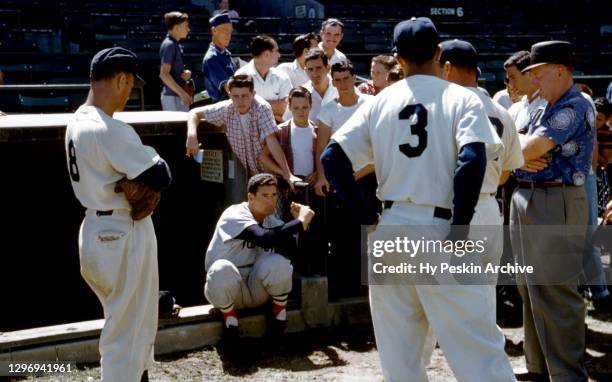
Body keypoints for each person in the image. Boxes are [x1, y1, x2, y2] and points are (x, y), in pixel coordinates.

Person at [321, 17, 515, 382]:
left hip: (392, 226)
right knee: (478, 355)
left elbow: (332, 157)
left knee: (401, 361)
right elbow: (472, 159)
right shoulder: (461, 98)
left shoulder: (379, 101)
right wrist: (460, 229)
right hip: (441, 228)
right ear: (438, 53)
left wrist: (367, 216)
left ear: (398, 58)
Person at [65, 47, 172, 382]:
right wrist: (150, 159)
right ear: (122, 79)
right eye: (129, 84)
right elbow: (162, 175)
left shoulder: (77, 120)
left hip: (96, 229)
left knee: (130, 328)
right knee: (126, 337)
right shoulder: (108, 127)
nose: (129, 92)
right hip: (121, 233)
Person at [510, 40, 594, 381]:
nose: (534, 81)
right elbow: (519, 149)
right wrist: (520, 157)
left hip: (556, 199)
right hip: (529, 196)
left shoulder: (573, 105)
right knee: (529, 287)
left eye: (538, 74)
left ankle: (566, 375)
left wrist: (519, 154)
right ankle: (539, 366)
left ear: (559, 71)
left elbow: (529, 146)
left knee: (556, 290)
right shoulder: (544, 104)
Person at [439, 39, 524, 280]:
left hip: (454, 212)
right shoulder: (502, 112)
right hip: (488, 207)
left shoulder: (444, 107)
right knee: (485, 300)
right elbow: (506, 173)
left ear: (448, 68)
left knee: (452, 302)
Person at [204, 173, 314, 339]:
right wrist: (299, 222)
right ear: (251, 197)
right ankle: (230, 321)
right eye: (265, 195)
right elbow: (264, 239)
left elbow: (295, 253)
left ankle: (278, 317)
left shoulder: (272, 219)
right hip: (230, 291)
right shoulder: (234, 214)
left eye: (274, 195)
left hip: (257, 290)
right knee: (221, 269)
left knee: (279, 263)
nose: (271, 200)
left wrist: (301, 224)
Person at [186, 74, 300, 185]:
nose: (240, 101)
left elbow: (271, 140)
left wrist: (287, 174)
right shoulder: (226, 109)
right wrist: (191, 136)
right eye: (236, 96)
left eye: (244, 96)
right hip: (252, 174)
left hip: (275, 170)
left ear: (253, 94)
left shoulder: (262, 108)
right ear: (230, 95)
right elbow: (194, 113)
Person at [315, 61, 374, 196]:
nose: (343, 84)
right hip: (340, 173)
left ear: (354, 78)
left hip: (370, 172)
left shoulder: (371, 103)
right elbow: (321, 147)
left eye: (346, 78)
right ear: (333, 83)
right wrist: (321, 176)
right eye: (338, 80)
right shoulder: (327, 110)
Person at [259, 87, 317, 183]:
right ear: (289, 107)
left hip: (311, 183)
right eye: (296, 108)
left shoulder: (317, 130)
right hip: (290, 184)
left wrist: (317, 174)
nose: (300, 112)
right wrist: (284, 173)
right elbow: (263, 157)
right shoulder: (282, 131)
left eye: (304, 107)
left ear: (310, 106)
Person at [235, 35, 292, 122]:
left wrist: (253, 105)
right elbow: (241, 108)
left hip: (277, 131)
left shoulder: (282, 76)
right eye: (276, 51)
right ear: (266, 54)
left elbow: (286, 109)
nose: (279, 55)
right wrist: (275, 107)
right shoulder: (240, 76)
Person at [282, 48, 338, 122]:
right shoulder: (298, 94)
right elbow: (287, 122)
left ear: (328, 68)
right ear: (306, 71)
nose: (314, 73)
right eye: (310, 69)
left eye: (318, 68)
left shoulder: (341, 88)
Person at [504, 51, 548, 132]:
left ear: (529, 74)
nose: (510, 84)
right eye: (509, 79)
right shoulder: (514, 109)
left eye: (513, 77)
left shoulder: (550, 107)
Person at [159, 12, 193, 111]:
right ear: (177, 28)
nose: (188, 29)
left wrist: (186, 73)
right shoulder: (169, 45)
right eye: (186, 26)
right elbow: (164, 74)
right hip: (173, 97)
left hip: (177, 96)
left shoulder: (175, 44)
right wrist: (182, 94)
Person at [202, 13, 236, 103]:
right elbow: (229, 89)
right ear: (214, 31)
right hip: (220, 107)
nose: (228, 35)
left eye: (230, 31)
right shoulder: (212, 58)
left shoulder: (225, 53)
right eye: (225, 31)